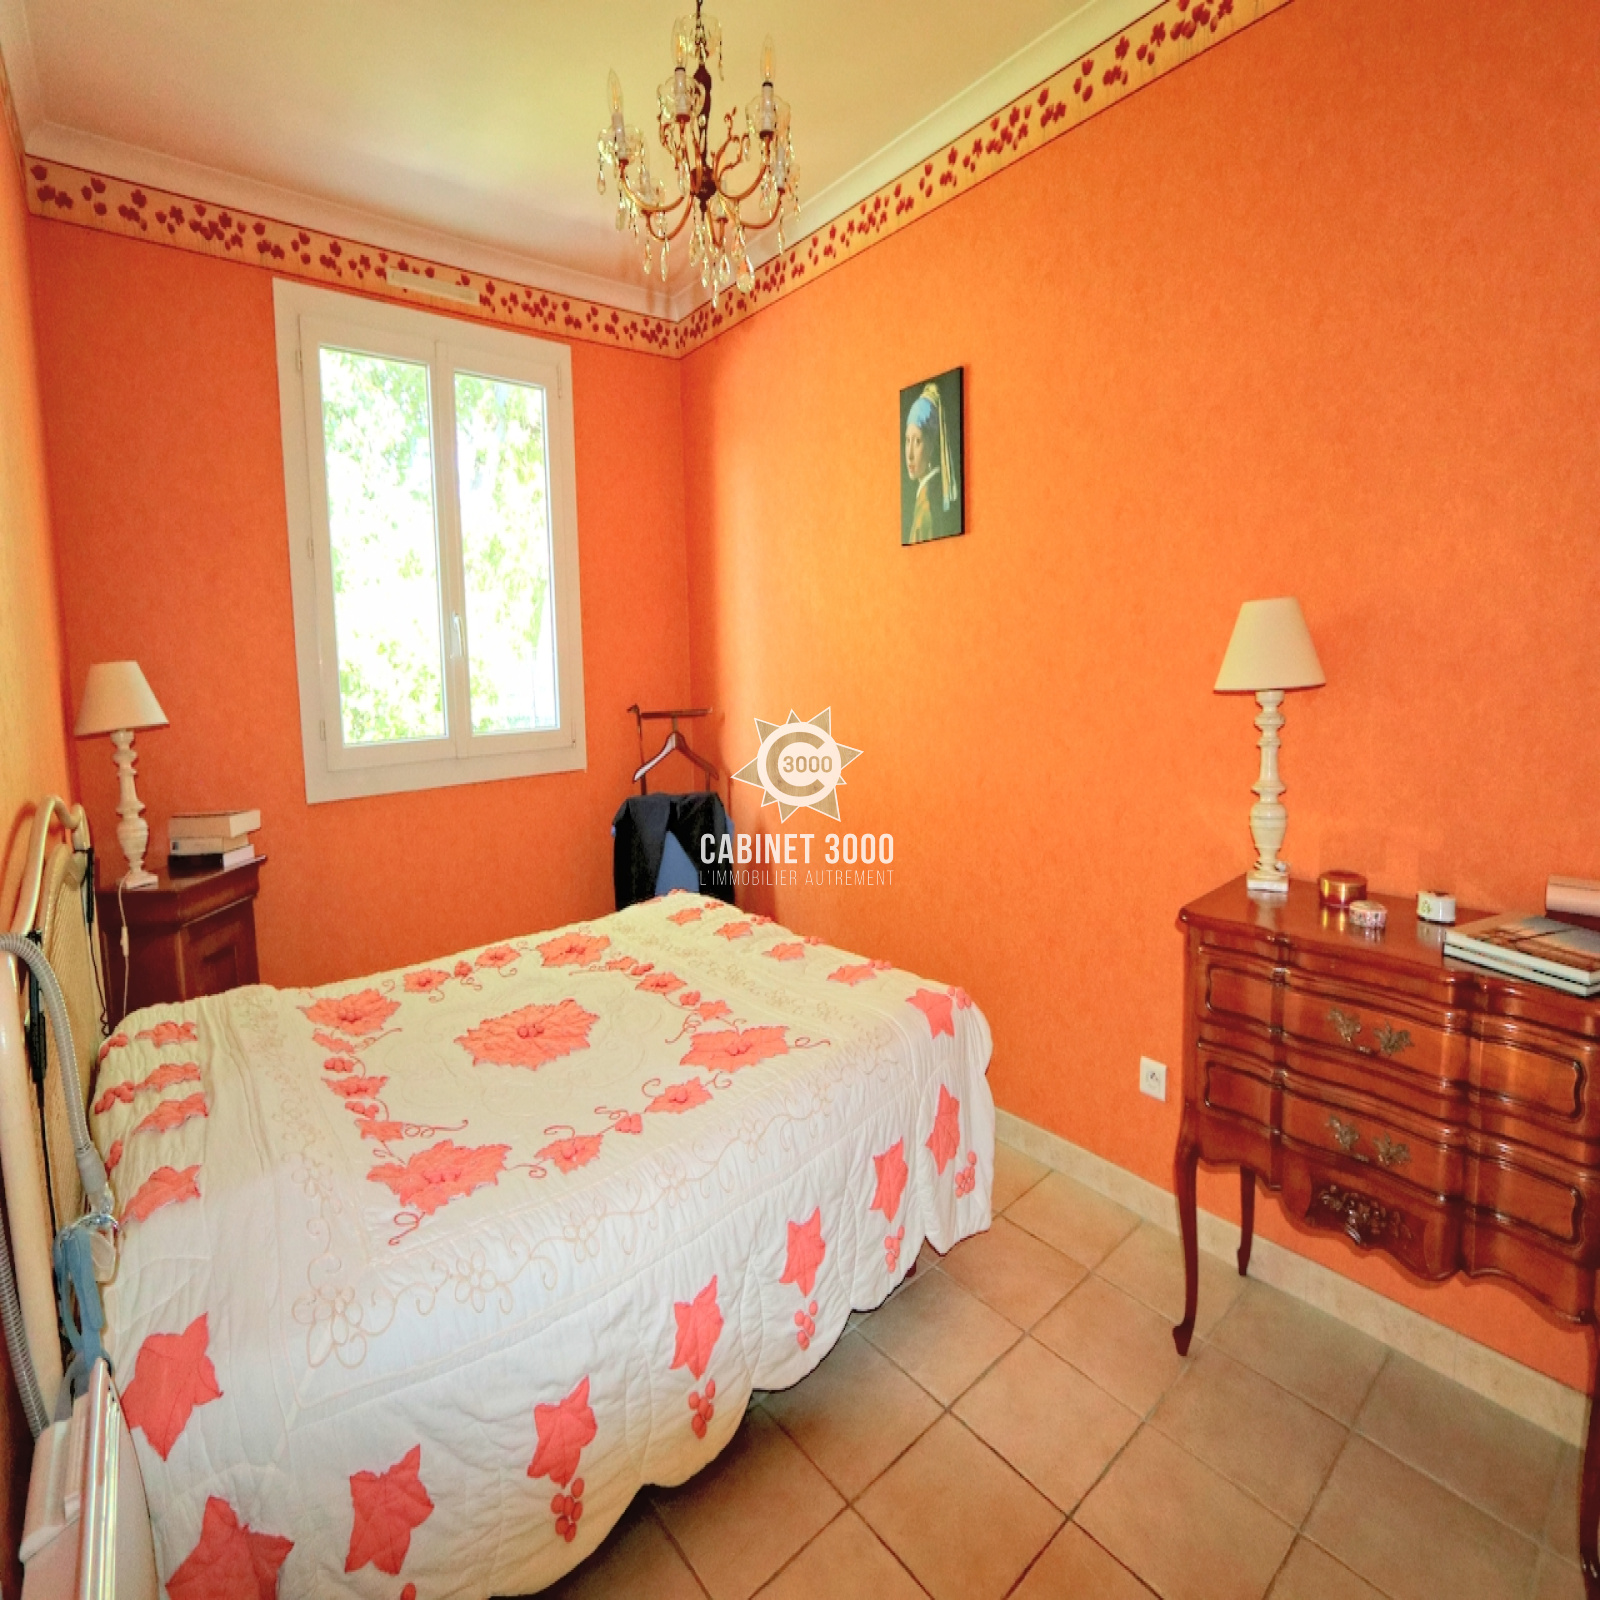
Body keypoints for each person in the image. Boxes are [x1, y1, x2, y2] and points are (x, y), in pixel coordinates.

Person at [903, 381, 959, 543]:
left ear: (932, 446)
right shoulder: (923, 498)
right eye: (907, 440)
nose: (910, 455)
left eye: (917, 441)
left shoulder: (927, 507)